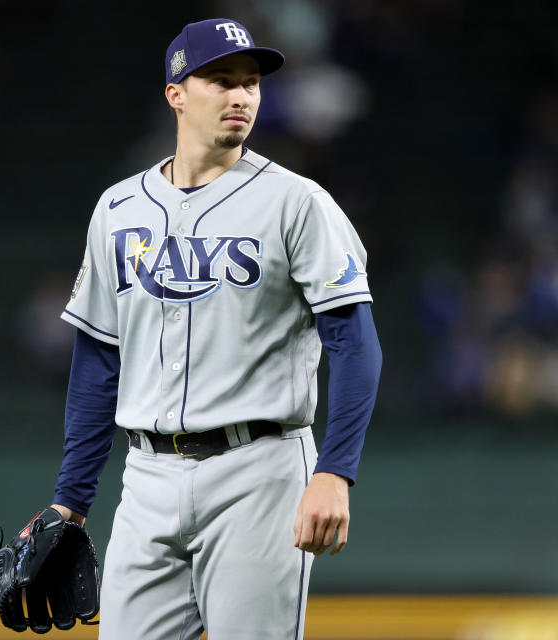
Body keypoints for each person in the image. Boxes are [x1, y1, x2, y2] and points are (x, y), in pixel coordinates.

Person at [50, 18, 382, 640]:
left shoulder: (297, 202)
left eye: (251, 83)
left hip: (259, 471)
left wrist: (335, 472)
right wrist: (71, 501)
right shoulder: (118, 208)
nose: (242, 96)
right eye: (222, 80)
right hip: (146, 475)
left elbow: (355, 345)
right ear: (176, 93)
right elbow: (98, 361)